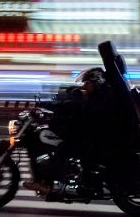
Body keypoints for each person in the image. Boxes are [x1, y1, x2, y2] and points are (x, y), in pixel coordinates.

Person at [23, 67, 126, 198]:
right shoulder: (99, 96)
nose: (84, 86)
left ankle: (51, 184)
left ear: (96, 83)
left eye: (87, 83)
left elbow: (81, 115)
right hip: (95, 138)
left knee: (63, 148)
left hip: (93, 141)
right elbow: (76, 110)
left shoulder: (98, 99)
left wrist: (60, 114)